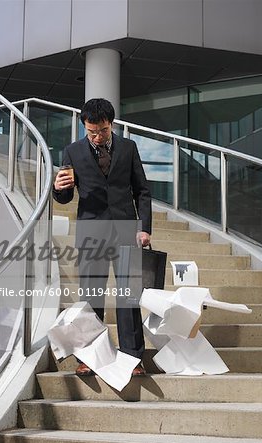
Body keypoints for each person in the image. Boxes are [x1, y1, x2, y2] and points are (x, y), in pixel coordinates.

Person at [53, 98, 151, 376]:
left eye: (103, 131)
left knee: (128, 296)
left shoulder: (129, 148)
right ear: (84, 126)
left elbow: (142, 190)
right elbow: (65, 195)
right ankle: (90, 357)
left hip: (125, 229)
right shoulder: (72, 151)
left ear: (111, 124)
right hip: (91, 231)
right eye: (92, 131)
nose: (97, 136)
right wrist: (58, 188)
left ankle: (133, 357)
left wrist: (144, 228)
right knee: (92, 295)